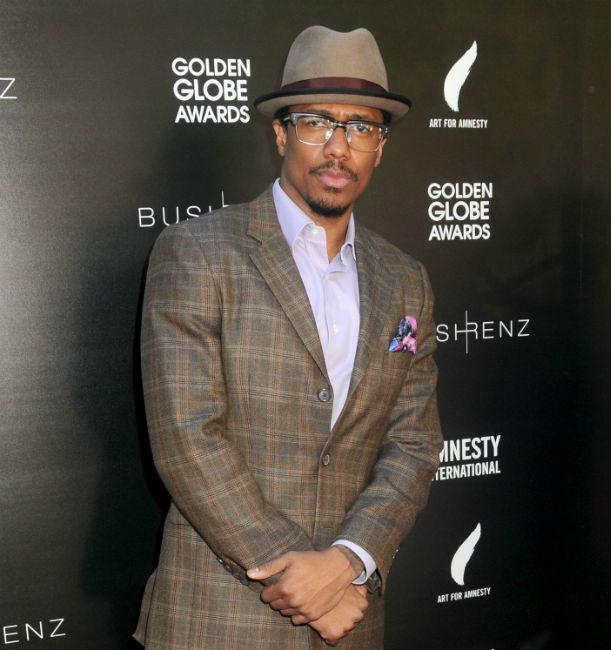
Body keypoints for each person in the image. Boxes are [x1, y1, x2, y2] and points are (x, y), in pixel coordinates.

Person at [134, 25, 442, 650]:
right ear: (280, 133)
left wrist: (350, 560)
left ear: (380, 147)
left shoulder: (406, 281)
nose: (338, 147)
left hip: (351, 623)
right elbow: (186, 438)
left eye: (361, 127)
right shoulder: (197, 253)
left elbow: (413, 443)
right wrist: (302, 581)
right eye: (316, 123)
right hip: (218, 623)